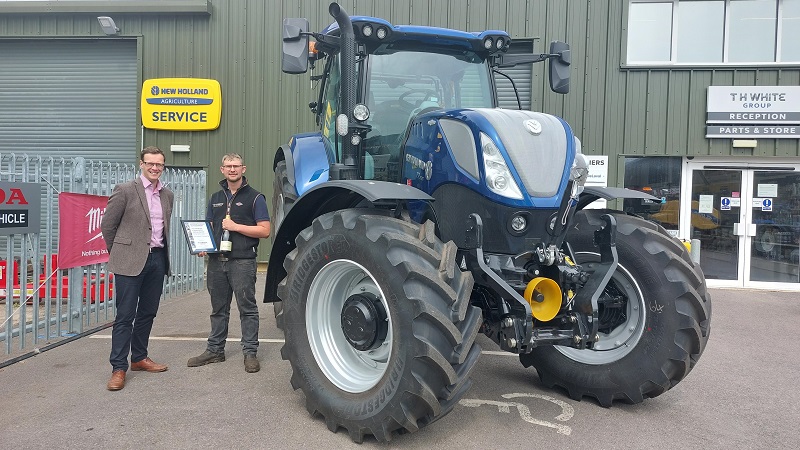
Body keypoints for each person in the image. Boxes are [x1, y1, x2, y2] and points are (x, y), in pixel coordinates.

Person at [188, 153, 270, 373]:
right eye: (228, 166)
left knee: (248, 309)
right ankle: (215, 350)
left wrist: (235, 227)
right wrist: (203, 245)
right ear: (221, 169)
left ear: (244, 169)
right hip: (216, 262)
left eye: (236, 166)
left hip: (242, 262)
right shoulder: (215, 197)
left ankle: (250, 353)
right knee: (218, 309)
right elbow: (207, 228)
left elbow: (265, 230)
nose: (232, 169)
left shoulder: (255, 198)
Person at [101, 146, 174, 391]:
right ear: (141, 164)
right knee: (125, 316)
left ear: (163, 167)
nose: (155, 168)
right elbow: (107, 226)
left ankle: (139, 358)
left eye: (159, 164)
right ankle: (118, 368)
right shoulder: (125, 190)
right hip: (129, 261)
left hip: (157, 259)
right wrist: (121, 253)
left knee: (148, 312)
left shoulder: (167, 195)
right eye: (150, 163)